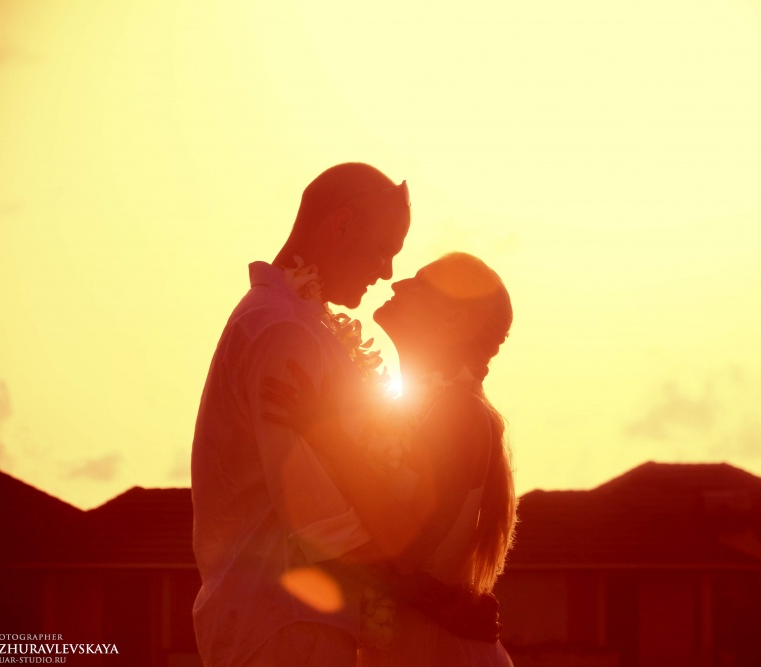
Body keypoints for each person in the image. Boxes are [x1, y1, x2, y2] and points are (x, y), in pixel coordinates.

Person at [190, 163, 412, 667]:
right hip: (287, 625)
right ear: (342, 226)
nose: (386, 272)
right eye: (383, 250)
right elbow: (320, 522)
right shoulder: (284, 331)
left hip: (293, 622)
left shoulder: (294, 321)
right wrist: (430, 588)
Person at [264, 252, 517, 666]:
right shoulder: (412, 411)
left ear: (454, 321)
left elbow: (405, 550)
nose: (398, 284)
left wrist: (326, 435)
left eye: (420, 282)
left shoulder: (459, 412)